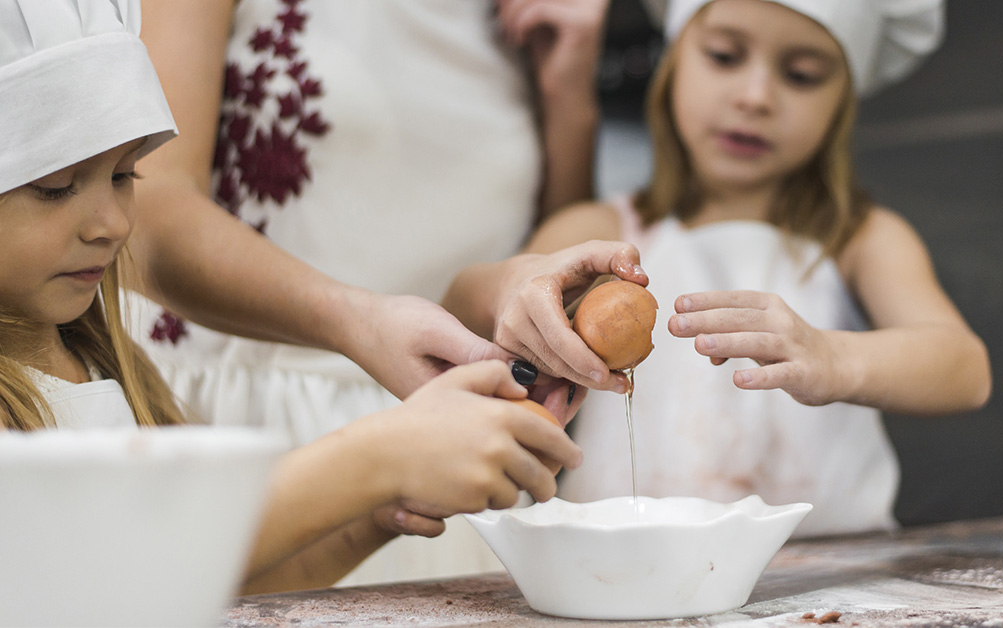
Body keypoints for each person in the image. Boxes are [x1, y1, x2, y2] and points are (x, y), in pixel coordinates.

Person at [0, 0, 582, 594]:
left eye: (124, 175)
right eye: (54, 188)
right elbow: (108, 574)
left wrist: (386, 507)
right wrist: (381, 458)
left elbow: (202, 580)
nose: (114, 224)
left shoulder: (100, 362)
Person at [448, 0, 992, 537]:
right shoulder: (600, 231)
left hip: (832, 580)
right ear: (674, 62)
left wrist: (835, 358)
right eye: (725, 57)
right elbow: (461, 309)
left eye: (801, 75)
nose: (755, 97)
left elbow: (965, 369)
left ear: (842, 102)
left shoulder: (859, 238)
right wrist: (509, 289)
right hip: (631, 578)